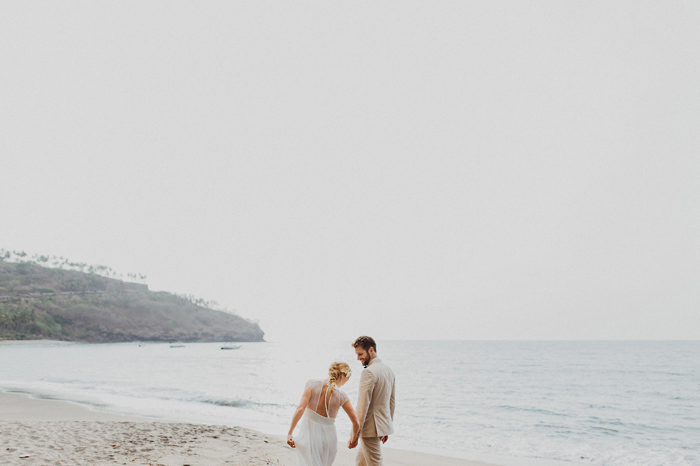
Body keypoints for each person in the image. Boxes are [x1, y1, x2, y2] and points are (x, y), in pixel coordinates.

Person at [288, 361, 360, 466]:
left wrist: (290, 432)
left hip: (310, 436)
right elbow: (356, 422)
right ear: (342, 375)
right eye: (347, 379)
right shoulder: (342, 396)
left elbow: (300, 408)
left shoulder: (311, 384)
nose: (346, 382)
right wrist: (354, 439)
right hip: (329, 439)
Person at [350, 336, 396, 466]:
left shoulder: (369, 372)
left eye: (360, 354)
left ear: (371, 350)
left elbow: (362, 406)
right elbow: (391, 402)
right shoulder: (389, 371)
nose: (358, 358)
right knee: (360, 463)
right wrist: (386, 427)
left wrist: (355, 434)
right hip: (379, 427)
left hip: (369, 430)